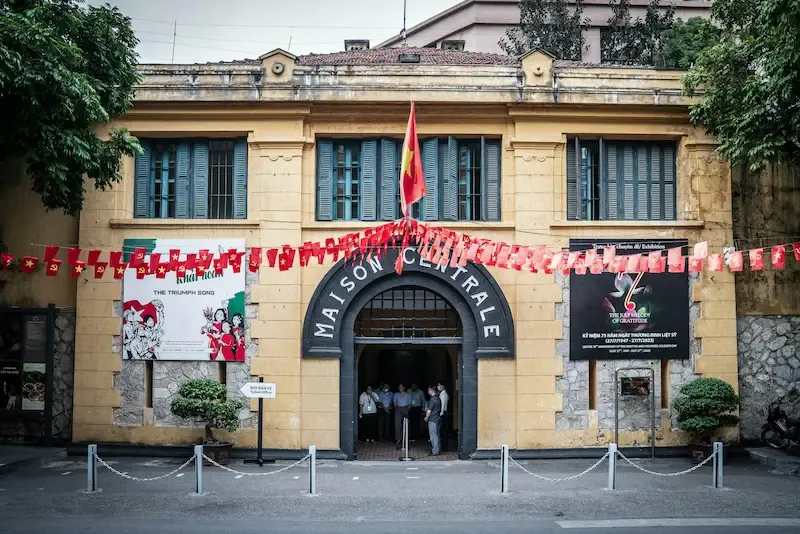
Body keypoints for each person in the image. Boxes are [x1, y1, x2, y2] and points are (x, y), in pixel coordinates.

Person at [393, 384, 412, 449]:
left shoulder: (408, 395)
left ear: (404, 388)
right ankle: (398, 439)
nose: (400, 388)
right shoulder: (396, 394)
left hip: (405, 408)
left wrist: (407, 410)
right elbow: (394, 403)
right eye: (399, 387)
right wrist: (397, 409)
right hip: (398, 409)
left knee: (406, 424)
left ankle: (406, 439)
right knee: (397, 424)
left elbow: (410, 404)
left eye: (401, 387)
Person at [424, 385, 441, 456]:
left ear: (432, 390)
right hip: (437, 418)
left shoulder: (433, 399)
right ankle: (436, 449)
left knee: (433, 436)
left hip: (433, 419)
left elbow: (429, 410)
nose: (428, 392)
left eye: (429, 390)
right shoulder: (438, 398)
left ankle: (435, 451)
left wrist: (426, 417)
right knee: (436, 435)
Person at [437, 381, 450, 452]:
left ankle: (444, 447)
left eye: (439, 385)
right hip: (444, 413)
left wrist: (440, 414)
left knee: (443, 431)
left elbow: (442, 405)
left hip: (443, 414)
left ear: (443, 386)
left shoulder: (443, 395)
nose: (438, 387)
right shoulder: (444, 394)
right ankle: (444, 446)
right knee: (444, 431)